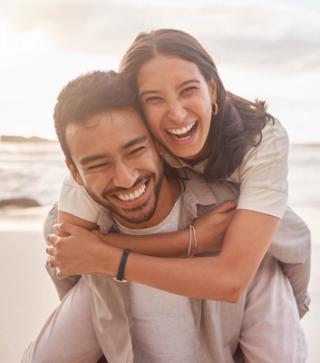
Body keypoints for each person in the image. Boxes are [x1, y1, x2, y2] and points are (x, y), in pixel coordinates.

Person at [23, 70, 306, 363]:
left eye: (135, 150)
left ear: (159, 143)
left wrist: (187, 241)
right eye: (97, 165)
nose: (124, 178)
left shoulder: (235, 226)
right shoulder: (83, 245)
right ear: (75, 173)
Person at [54, 29, 311, 317]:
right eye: (154, 99)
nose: (176, 114)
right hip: (197, 224)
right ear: (136, 108)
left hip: (271, 248)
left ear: (211, 90)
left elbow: (231, 279)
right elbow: (67, 245)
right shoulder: (133, 143)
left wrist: (112, 259)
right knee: (56, 221)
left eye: (188, 90)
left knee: (283, 237)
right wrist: (190, 239)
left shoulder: (263, 139)